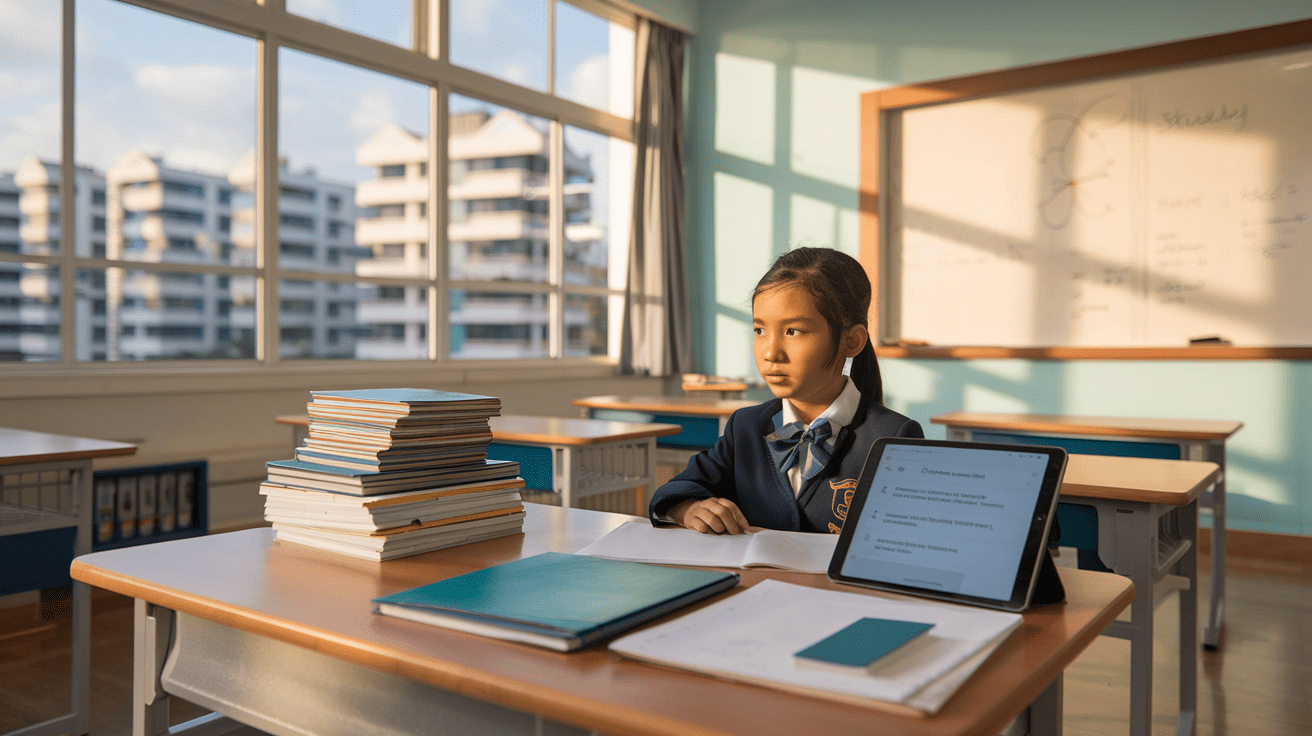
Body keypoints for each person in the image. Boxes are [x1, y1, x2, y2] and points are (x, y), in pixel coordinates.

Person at [649, 247, 924, 534]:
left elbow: (908, 542)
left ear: (852, 341)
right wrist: (690, 508)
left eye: (792, 331)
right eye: (760, 331)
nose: (771, 352)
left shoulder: (894, 437)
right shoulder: (746, 427)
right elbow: (677, 490)